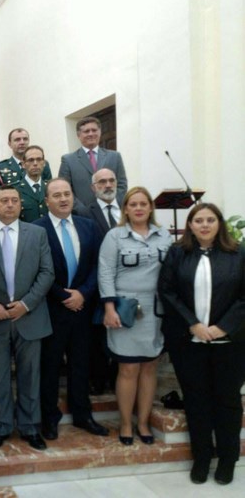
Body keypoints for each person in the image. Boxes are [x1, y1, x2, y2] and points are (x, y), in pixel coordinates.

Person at [158, 203, 245, 485]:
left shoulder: (238, 254)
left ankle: (228, 459)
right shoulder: (177, 253)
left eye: (210, 220)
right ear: (190, 226)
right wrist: (192, 323)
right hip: (190, 341)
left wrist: (223, 327)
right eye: (198, 220)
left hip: (230, 342)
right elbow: (167, 291)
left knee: (228, 401)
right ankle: (202, 458)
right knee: (196, 401)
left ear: (219, 223)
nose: (204, 225)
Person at [0, 186, 54, 451]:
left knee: (30, 374)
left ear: (22, 205)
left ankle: (31, 427)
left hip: (29, 316)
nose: (10, 205)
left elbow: (47, 273)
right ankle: (1, 426)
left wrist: (26, 304)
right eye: (4, 201)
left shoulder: (38, 233)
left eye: (15, 201)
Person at [34, 178, 109, 440]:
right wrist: (62, 294)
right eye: (57, 195)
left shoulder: (89, 226)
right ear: (46, 201)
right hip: (52, 308)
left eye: (67, 194)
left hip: (83, 308)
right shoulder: (37, 229)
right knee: (50, 365)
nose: (63, 199)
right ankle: (50, 418)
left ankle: (82, 414)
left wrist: (83, 293)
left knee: (81, 364)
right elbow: (37, 271)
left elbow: (99, 265)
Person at [98, 187, 172, 446]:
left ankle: (143, 422)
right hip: (125, 308)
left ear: (151, 207)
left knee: (150, 366)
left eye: (143, 204)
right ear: (126, 209)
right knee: (128, 367)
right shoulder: (115, 236)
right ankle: (126, 423)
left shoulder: (164, 235)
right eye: (133, 204)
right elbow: (105, 273)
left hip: (156, 308)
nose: (139, 208)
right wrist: (109, 308)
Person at [80, 167, 121, 395]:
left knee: (122, 331)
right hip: (97, 284)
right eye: (102, 181)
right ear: (93, 187)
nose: (107, 185)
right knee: (97, 337)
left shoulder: (126, 210)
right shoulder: (85, 213)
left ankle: (118, 378)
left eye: (111, 180)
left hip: (125, 283)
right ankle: (98, 379)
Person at [58, 116, 128, 212]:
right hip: (83, 215)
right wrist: (81, 210)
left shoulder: (114, 157)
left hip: (112, 212)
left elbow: (122, 185)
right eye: (86, 131)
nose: (91, 134)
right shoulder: (68, 160)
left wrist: (114, 205)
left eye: (94, 130)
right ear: (78, 135)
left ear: (100, 132)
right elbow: (64, 189)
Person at [14, 146, 50, 223]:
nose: (35, 163)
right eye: (31, 160)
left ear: (44, 163)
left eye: (39, 159)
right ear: (23, 164)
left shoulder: (50, 188)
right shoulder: (15, 190)